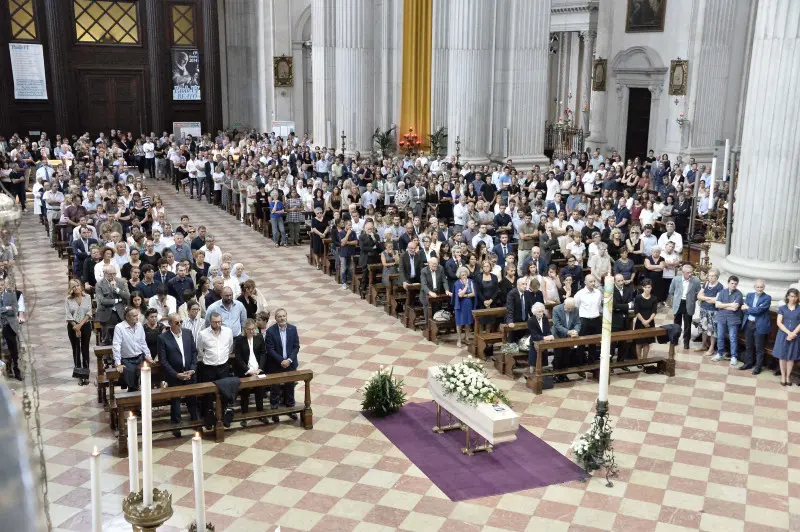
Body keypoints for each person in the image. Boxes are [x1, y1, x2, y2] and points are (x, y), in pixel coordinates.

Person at [157, 313, 199, 437]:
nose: (180, 324)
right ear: (170, 324)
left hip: (189, 373)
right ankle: (176, 425)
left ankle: (195, 422)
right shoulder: (163, 338)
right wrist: (176, 374)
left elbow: (194, 352)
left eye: (181, 321)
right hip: (175, 375)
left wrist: (192, 369)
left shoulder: (188, 333)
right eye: (177, 322)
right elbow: (163, 361)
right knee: (175, 401)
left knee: (192, 399)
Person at [196, 312, 235, 428]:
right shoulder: (203, 334)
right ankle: (208, 419)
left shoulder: (228, 332)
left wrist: (223, 358)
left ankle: (222, 416)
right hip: (208, 368)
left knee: (224, 393)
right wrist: (209, 359)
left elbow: (230, 347)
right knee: (208, 395)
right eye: (215, 322)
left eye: (219, 322)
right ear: (210, 322)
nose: (218, 324)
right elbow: (200, 351)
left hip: (223, 366)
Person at [232, 319, 270, 427]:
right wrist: (248, 370)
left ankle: (260, 413)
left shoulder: (259, 337)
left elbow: (263, 353)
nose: (252, 331)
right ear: (245, 329)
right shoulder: (240, 339)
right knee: (245, 393)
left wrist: (260, 368)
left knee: (260, 390)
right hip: (245, 371)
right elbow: (238, 357)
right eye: (250, 330)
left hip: (258, 370)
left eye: (254, 329)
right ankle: (244, 415)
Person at [264, 308, 300, 422]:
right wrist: (281, 361)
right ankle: (275, 410)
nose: (282, 318)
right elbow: (270, 349)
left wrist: (289, 360)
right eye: (279, 316)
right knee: (275, 388)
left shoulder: (293, 329)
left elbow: (296, 346)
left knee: (290, 387)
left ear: (286, 316)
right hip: (275, 364)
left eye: (284, 316)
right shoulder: (270, 331)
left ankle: (290, 409)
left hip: (290, 363)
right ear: (275, 318)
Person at [111, 307, 152, 392]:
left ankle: (142, 391)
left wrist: (148, 355)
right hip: (127, 359)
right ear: (127, 317)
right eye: (134, 316)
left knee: (148, 370)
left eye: (137, 315)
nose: (137, 318)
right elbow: (116, 345)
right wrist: (118, 363)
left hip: (140, 357)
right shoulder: (119, 327)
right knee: (130, 373)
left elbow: (142, 342)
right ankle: (132, 393)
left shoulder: (139, 325)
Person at [739, 280, 772, 373]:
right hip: (748, 323)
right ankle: (748, 363)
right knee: (748, 346)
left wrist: (749, 308)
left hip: (759, 325)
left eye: (761, 287)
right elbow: (743, 309)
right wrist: (752, 309)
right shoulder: (749, 295)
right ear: (754, 287)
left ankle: (758, 367)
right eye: (757, 287)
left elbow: (759, 311)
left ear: (764, 287)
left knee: (759, 348)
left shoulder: (767, 298)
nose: (759, 289)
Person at [65, 279, 93, 385]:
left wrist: (80, 325)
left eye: (77, 285)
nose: (76, 288)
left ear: (81, 286)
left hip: (85, 325)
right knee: (76, 350)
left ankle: (85, 375)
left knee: (85, 349)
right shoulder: (68, 299)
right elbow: (68, 315)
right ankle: (79, 375)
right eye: (73, 287)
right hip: (72, 326)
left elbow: (89, 313)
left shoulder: (87, 297)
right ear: (71, 289)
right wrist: (76, 327)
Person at [668, 263, 701, 350]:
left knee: (687, 324)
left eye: (691, 272)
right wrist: (677, 297)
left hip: (689, 303)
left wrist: (692, 300)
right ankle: (674, 340)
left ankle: (686, 343)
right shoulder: (676, 279)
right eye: (688, 272)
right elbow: (671, 291)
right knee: (676, 323)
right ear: (683, 272)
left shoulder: (696, 281)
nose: (690, 274)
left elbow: (698, 293)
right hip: (679, 303)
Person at [712, 276, 743, 366]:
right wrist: (730, 304)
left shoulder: (739, 294)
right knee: (720, 336)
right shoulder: (722, 292)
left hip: (733, 319)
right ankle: (720, 354)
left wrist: (723, 305)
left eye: (735, 284)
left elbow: (735, 308)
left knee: (733, 338)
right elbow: (717, 305)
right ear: (728, 283)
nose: (733, 285)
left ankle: (734, 357)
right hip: (721, 317)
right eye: (732, 283)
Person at [96, 264, 130, 345]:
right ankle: (106, 355)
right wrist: (117, 300)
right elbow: (102, 301)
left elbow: (128, 296)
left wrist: (117, 290)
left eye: (114, 274)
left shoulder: (121, 281)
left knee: (122, 339)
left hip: (120, 313)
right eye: (110, 274)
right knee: (106, 340)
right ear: (104, 273)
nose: (112, 276)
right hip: (106, 313)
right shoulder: (99, 284)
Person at [773, 288, 799, 386]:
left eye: (795, 296)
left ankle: (788, 376)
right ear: (787, 296)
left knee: (791, 357)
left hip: (795, 335)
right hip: (783, 335)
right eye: (792, 296)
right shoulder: (782, 308)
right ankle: (783, 376)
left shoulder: (799, 308)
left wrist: (793, 334)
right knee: (782, 356)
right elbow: (779, 322)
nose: (793, 298)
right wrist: (789, 333)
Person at [551, 298, 581, 381]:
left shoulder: (575, 309)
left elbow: (578, 323)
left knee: (566, 355)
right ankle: (555, 374)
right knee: (558, 355)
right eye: (568, 308)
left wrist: (576, 331)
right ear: (564, 305)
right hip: (558, 335)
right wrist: (568, 332)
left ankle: (563, 374)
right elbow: (557, 325)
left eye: (571, 308)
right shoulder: (556, 309)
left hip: (569, 336)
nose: (570, 310)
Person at [574, 274, 603, 363]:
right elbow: (576, 306)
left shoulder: (598, 292)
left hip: (596, 319)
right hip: (584, 320)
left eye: (594, 281)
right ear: (585, 282)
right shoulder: (580, 293)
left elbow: (599, 305)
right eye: (590, 281)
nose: (593, 283)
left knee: (594, 342)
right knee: (581, 343)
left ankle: (592, 362)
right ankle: (581, 362)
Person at [696, 268, 723, 356]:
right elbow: (699, 296)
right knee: (704, 328)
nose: (710, 278)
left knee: (712, 330)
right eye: (709, 276)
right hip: (704, 309)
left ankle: (711, 348)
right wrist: (708, 298)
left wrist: (705, 297)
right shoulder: (706, 283)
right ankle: (703, 345)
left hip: (713, 311)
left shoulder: (720, 286)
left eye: (713, 276)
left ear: (717, 277)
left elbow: (717, 300)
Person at [420, 257, 451, 328]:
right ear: (429, 264)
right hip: (426, 295)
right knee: (428, 311)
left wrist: (447, 290)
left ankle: (436, 328)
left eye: (436, 265)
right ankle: (428, 328)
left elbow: (444, 280)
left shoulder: (440, 268)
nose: (435, 267)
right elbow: (423, 284)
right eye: (433, 265)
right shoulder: (424, 271)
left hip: (437, 294)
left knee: (436, 311)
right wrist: (430, 292)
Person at [0, 277, 20, 380]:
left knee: (13, 348)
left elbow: (15, 309)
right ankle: (5, 368)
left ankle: (17, 370)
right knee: (3, 349)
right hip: (1, 324)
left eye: (2, 285)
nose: (0, 287)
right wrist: (6, 308)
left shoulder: (11, 295)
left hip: (9, 325)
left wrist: (5, 310)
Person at [611, 273, 635, 363]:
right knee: (612, 343)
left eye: (622, 280)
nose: (621, 282)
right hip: (615, 320)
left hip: (625, 320)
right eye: (619, 281)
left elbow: (631, 304)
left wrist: (623, 306)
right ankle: (609, 363)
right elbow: (614, 306)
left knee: (623, 343)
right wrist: (626, 306)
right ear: (614, 281)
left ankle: (621, 361)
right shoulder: (611, 291)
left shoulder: (627, 289)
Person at [634, 279, 657, 360]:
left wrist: (648, 321)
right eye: (646, 287)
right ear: (643, 288)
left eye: (649, 287)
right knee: (639, 343)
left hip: (650, 322)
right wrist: (643, 321)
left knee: (646, 343)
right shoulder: (638, 298)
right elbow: (636, 311)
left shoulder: (654, 298)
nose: (648, 289)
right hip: (640, 322)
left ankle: (644, 360)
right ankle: (639, 360)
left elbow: (654, 312)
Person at [452, 266, 475, 348]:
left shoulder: (471, 281)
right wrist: (465, 286)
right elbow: (460, 295)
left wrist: (465, 295)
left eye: (465, 275)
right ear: (459, 275)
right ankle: (459, 339)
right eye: (462, 275)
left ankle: (467, 338)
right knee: (459, 323)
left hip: (468, 304)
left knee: (467, 322)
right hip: (459, 305)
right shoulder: (457, 283)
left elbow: (473, 293)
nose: (464, 276)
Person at [527, 302, 553, 373]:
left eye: (542, 311)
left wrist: (550, 335)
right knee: (533, 360)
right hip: (535, 341)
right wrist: (544, 338)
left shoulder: (545, 319)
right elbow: (534, 334)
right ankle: (531, 373)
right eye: (539, 311)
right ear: (534, 312)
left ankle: (540, 372)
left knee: (542, 358)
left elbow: (548, 330)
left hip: (544, 341)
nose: (541, 313)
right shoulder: (531, 320)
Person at [358, 220, 382, 298]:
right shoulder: (362, 236)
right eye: (368, 229)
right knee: (364, 276)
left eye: (371, 229)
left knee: (374, 277)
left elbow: (380, 248)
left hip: (374, 259)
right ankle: (363, 291)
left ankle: (373, 292)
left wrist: (373, 238)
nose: (370, 230)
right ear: (365, 229)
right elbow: (362, 248)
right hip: (365, 259)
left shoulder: (376, 236)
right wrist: (372, 248)